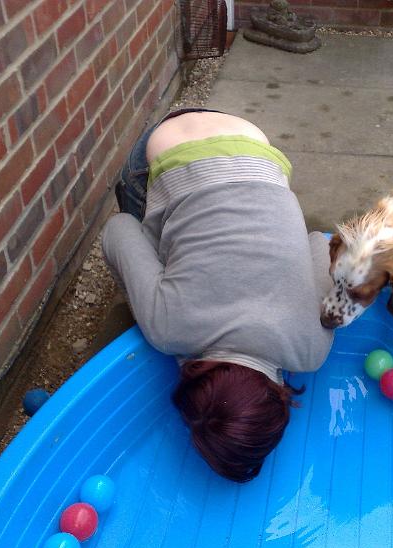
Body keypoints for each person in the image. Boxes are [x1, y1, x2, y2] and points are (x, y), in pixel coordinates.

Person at [102, 108, 333, 482]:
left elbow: (317, 241)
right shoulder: (167, 330)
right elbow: (117, 228)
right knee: (143, 230)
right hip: (166, 141)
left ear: (278, 399)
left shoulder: (311, 350)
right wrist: (144, 295)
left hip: (254, 143)